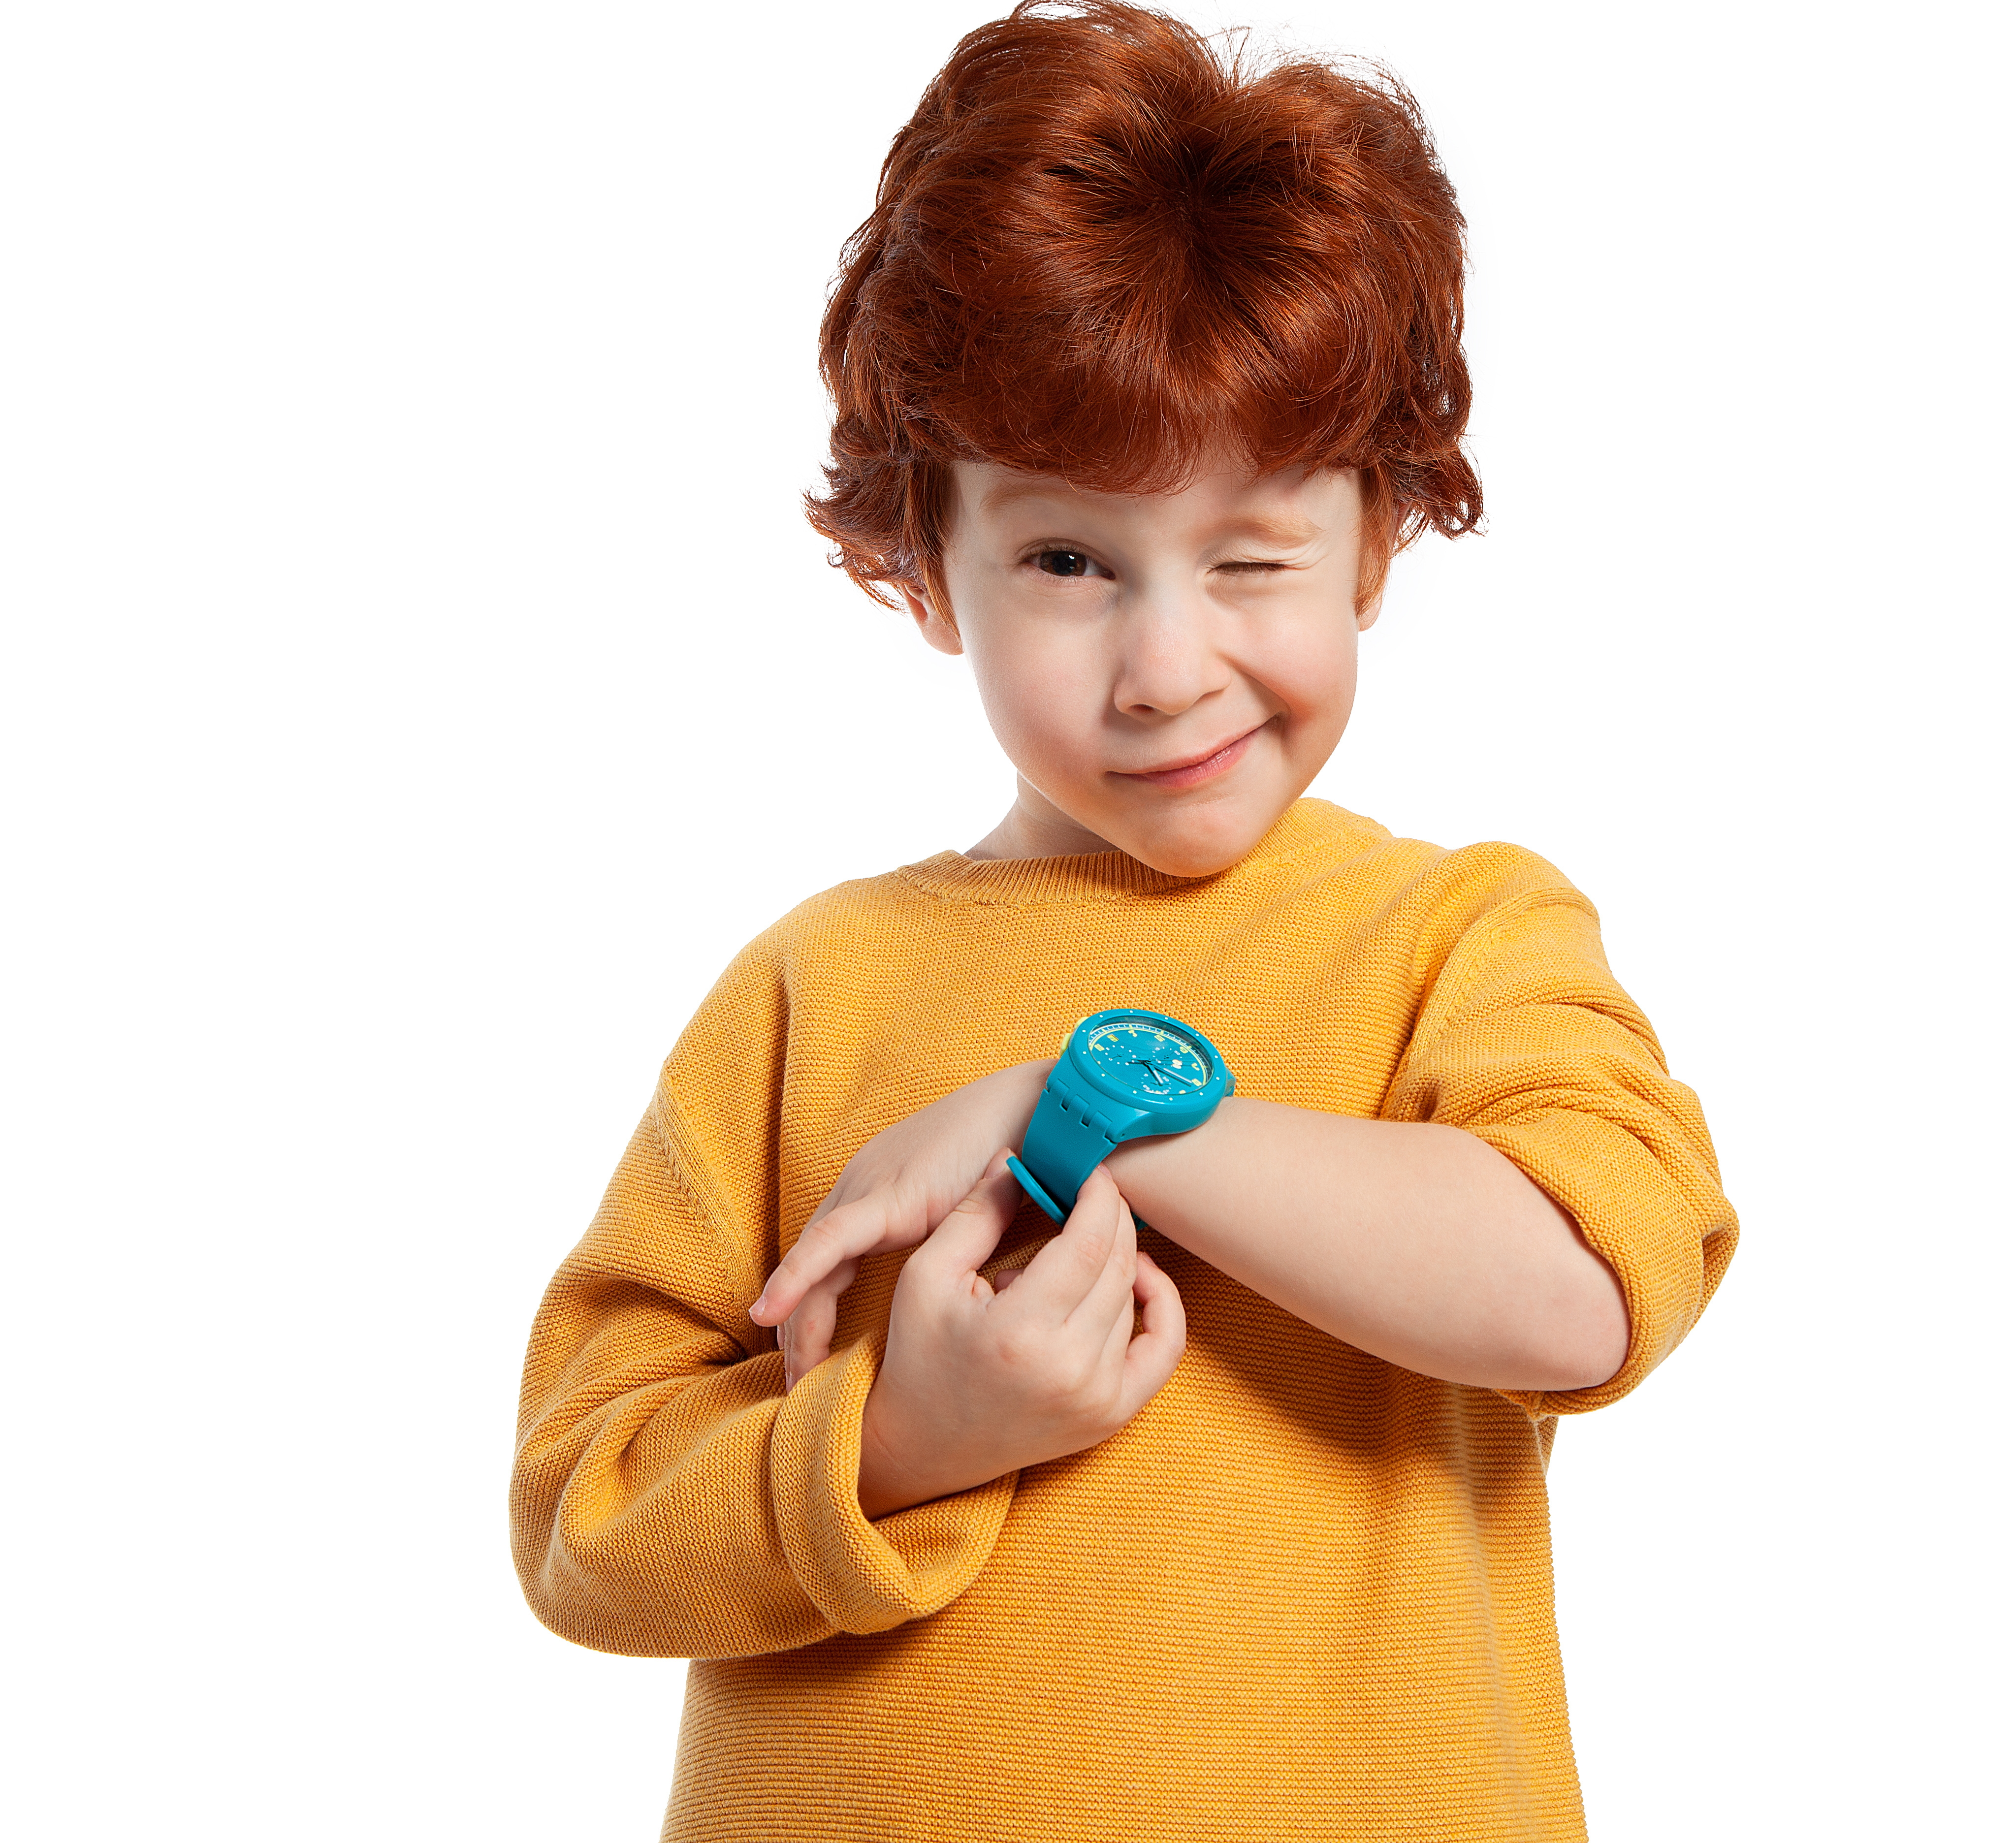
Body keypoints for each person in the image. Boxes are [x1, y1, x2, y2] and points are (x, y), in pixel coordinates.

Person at [511, 4, 1737, 1837]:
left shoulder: (1456, 935)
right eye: (1069, 561)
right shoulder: (810, 990)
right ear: (926, 565)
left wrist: (1084, 1111)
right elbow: (580, 1516)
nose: (1169, 669)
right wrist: (905, 1439)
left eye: (1253, 557)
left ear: (1378, 544)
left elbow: (1583, 1287)